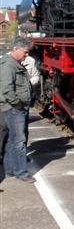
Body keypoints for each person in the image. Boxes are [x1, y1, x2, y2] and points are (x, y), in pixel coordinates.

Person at [0, 37, 35, 183]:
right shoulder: (8, 65)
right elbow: (7, 89)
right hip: (14, 108)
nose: (27, 55)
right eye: (25, 53)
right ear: (16, 49)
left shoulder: (14, 63)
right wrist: (18, 104)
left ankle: (9, 170)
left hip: (14, 107)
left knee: (12, 140)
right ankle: (21, 172)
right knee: (20, 141)